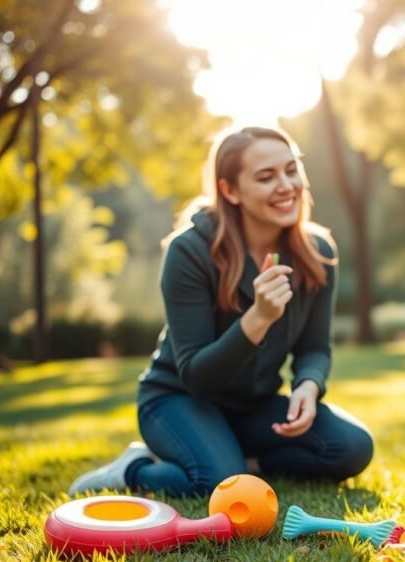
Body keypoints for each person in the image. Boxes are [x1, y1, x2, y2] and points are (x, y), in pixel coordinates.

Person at [69, 127, 373, 496]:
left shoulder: (317, 250)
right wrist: (258, 318)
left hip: (252, 407)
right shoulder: (189, 251)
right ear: (230, 190)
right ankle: (133, 470)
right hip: (179, 401)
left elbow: (314, 347)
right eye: (266, 177)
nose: (286, 185)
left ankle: (243, 464)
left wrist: (308, 386)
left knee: (352, 447)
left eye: (291, 170)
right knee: (216, 484)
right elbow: (197, 376)